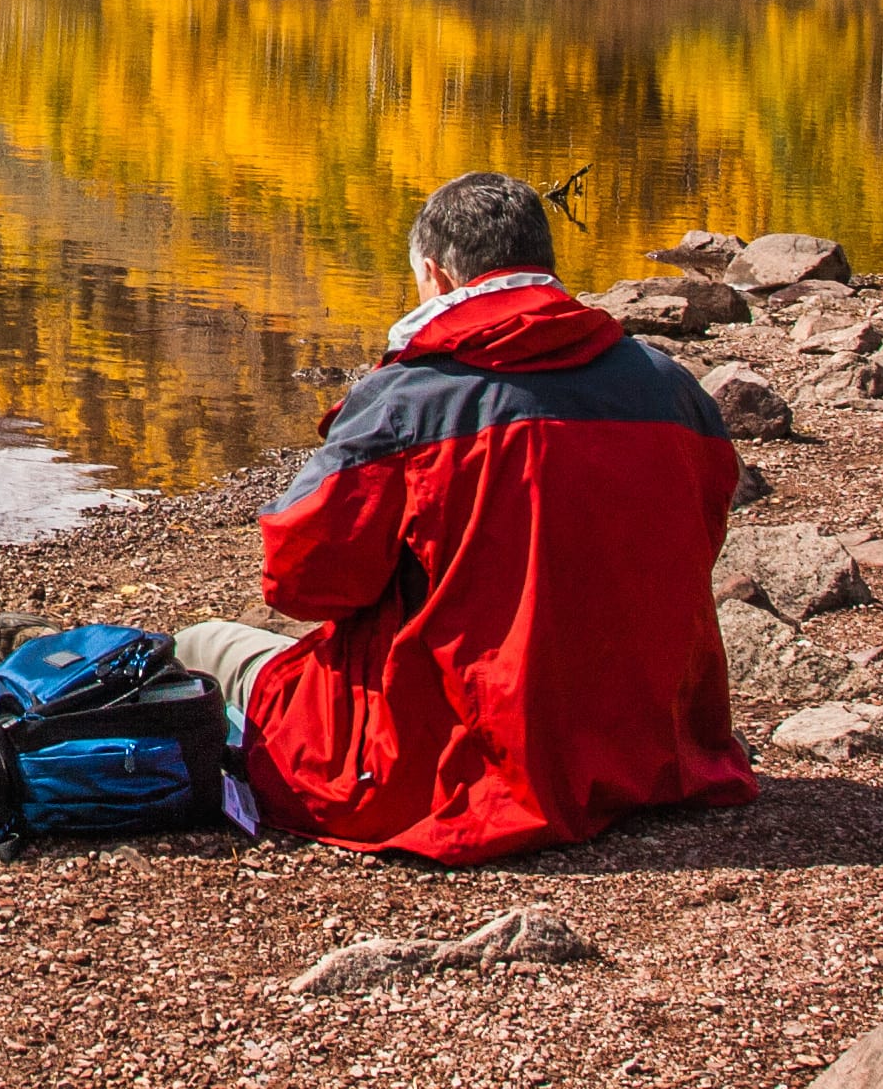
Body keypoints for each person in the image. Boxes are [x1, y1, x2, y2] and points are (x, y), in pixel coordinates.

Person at [170, 174, 753, 862]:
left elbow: (300, 584)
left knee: (202, 645)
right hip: (658, 749)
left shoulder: (406, 401)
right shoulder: (670, 386)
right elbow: (699, 536)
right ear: (544, 269)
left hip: (456, 765)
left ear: (435, 275)